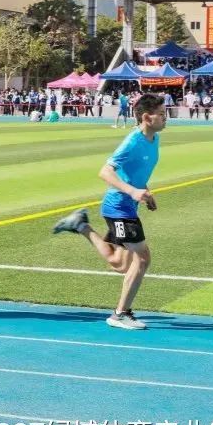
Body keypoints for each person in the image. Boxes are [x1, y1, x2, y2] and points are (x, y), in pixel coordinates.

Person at [52, 93, 166, 330]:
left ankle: (80, 225)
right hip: (119, 207)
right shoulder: (133, 141)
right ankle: (120, 314)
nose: (167, 119)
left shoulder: (153, 139)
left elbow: (136, 173)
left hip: (128, 206)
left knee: (120, 263)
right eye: (162, 115)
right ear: (147, 117)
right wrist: (133, 192)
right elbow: (105, 172)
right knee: (143, 258)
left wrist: (146, 192)